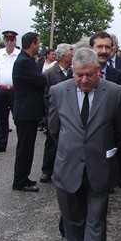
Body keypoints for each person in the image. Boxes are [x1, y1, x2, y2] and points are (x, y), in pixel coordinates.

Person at [48, 48, 121, 241]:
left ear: (98, 71)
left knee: (96, 222)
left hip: (99, 170)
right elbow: (53, 129)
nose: (84, 80)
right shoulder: (57, 91)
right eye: (78, 75)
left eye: (89, 75)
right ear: (72, 70)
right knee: (72, 220)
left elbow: (119, 130)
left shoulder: (113, 92)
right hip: (67, 168)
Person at [88, 32, 121, 189]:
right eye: (100, 46)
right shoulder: (76, 74)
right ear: (90, 48)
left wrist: (117, 141)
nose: (104, 51)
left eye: (107, 47)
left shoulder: (119, 76)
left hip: (107, 139)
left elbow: (120, 112)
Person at [12, 32, 47, 192]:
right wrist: (45, 75)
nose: (39, 46)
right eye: (38, 43)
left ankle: (23, 177)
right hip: (26, 112)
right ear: (33, 44)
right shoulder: (23, 62)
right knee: (24, 148)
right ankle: (20, 181)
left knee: (27, 148)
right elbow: (40, 80)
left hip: (28, 112)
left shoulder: (27, 60)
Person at [39, 43, 74, 183]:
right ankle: (47, 171)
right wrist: (50, 116)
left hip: (71, 115)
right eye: (71, 55)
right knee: (52, 143)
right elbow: (46, 97)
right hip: (54, 115)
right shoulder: (49, 74)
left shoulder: (73, 73)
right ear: (64, 57)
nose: (73, 58)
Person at [0, 30, 20, 153]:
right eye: (7, 40)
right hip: (0, 90)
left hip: (15, 91)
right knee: (1, 118)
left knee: (18, 117)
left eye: (12, 40)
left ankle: (21, 144)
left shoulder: (20, 54)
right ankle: (0, 144)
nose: (9, 42)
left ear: (15, 41)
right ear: (4, 41)